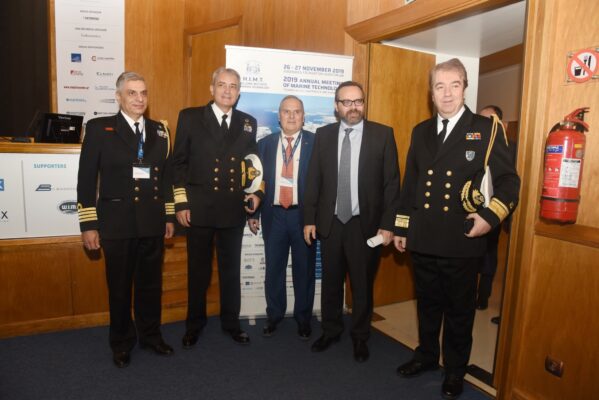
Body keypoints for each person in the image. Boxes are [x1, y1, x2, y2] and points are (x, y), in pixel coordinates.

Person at [393, 59, 520, 399]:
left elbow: (509, 182)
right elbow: (410, 185)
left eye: (454, 85)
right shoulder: (421, 131)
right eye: (440, 86)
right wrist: (402, 227)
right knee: (427, 304)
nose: (447, 93)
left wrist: (489, 218)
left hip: (462, 238)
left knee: (459, 312)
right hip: (423, 236)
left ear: (465, 88)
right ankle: (426, 355)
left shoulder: (486, 128)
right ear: (431, 92)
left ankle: (454, 370)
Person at [77, 71, 175, 368]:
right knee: (119, 288)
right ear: (118, 97)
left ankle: (151, 335)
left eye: (143, 93)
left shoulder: (160, 131)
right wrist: (88, 224)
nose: (139, 99)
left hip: (151, 222)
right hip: (117, 223)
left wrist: (169, 215)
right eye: (132, 93)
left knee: (150, 285)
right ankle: (121, 342)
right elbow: (86, 180)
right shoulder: (100, 129)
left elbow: (166, 178)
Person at [303, 81, 401, 363]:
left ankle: (360, 336)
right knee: (331, 282)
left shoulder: (382, 134)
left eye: (358, 101)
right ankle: (331, 330)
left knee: (362, 285)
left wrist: (388, 224)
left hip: (365, 225)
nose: (353, 107)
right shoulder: (323, 135)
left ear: (363, 103)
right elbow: (314, 180)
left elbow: (392, 184)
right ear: (337, 107)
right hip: (331, 223)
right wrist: (309, 219)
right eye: (346, 102)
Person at [173, 67, 261, 347]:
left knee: (230, 271)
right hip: (198, 208)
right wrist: (181, 202)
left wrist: (256, 194)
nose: (227, 90)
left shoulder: (248, 122)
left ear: (239, 92)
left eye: (233, 86)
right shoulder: (190, 117)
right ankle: (194, 325)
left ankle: (231, 323)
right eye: (222, 85)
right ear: (211, 89)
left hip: (232, 208)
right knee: (198, 272)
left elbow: (253, 165)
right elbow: (178, 163)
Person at [248, 95, 316, 340]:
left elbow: (323, 183)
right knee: (274, 269)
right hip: (274, 215)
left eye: (297, 111)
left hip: (303, 217)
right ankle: (274, 316)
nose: (291, 116)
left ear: (303, 116)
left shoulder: (316, 143)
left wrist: (315, 217)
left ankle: (303, 319)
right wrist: (254, 213)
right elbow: (258, 182)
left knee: (304, 270)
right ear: (279, 116)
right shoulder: (265, 144)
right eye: (286, 111)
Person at [476, 105, 505, 312]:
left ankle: (483, 296)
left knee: (488, 255)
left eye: (489, 119)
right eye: (481, 119)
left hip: (494, 211)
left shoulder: (507, 147)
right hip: (473, 209)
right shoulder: (473, 143)